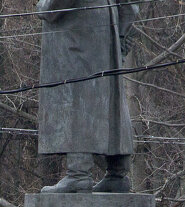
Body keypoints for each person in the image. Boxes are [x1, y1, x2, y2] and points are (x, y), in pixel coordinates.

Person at [36, 0, 139, 193]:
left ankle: (78, 173)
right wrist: (123, 36)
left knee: (79, 96)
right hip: (108, 24)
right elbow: (129, 7)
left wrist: (44, 5)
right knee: (110, 98)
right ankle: (118, 171)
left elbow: (51, 9)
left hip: (79, 30)